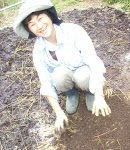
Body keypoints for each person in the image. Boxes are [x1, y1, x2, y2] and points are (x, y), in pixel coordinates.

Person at [13, 0, 111, 133]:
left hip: (84, 74)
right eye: (32, 24)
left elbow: (93, 61)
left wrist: (99, 95)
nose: (40, 26)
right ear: (30, 30)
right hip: (66, 80)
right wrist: (58, 113)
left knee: (83, 75)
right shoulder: (39, 50)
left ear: (50, 16)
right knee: (58, 74)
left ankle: (89, 92)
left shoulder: (73, 31)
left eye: (40, 18)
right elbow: (46, 82)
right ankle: (71, 95)